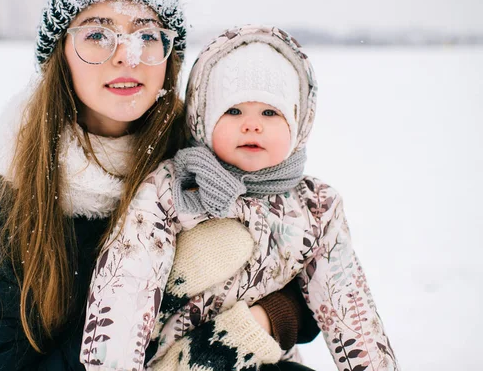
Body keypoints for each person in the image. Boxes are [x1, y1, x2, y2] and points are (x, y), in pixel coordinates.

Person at [0, 0, 318, 370]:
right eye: (97, 34)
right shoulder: (16, 195)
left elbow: (308, 270)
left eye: (146, 35)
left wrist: (269, 320)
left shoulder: (208, 157)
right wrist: (143, 324)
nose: (128, 55)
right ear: (60, 56)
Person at [82, 25, 400, 371]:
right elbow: (124, 287)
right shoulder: (174, 187)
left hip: (258, 358)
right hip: (162, 358)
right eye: (233, 112)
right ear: (203, 119)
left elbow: (350, 310)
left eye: (270, 113)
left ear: (297, 122)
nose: (252, 125)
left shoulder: (316, 207)